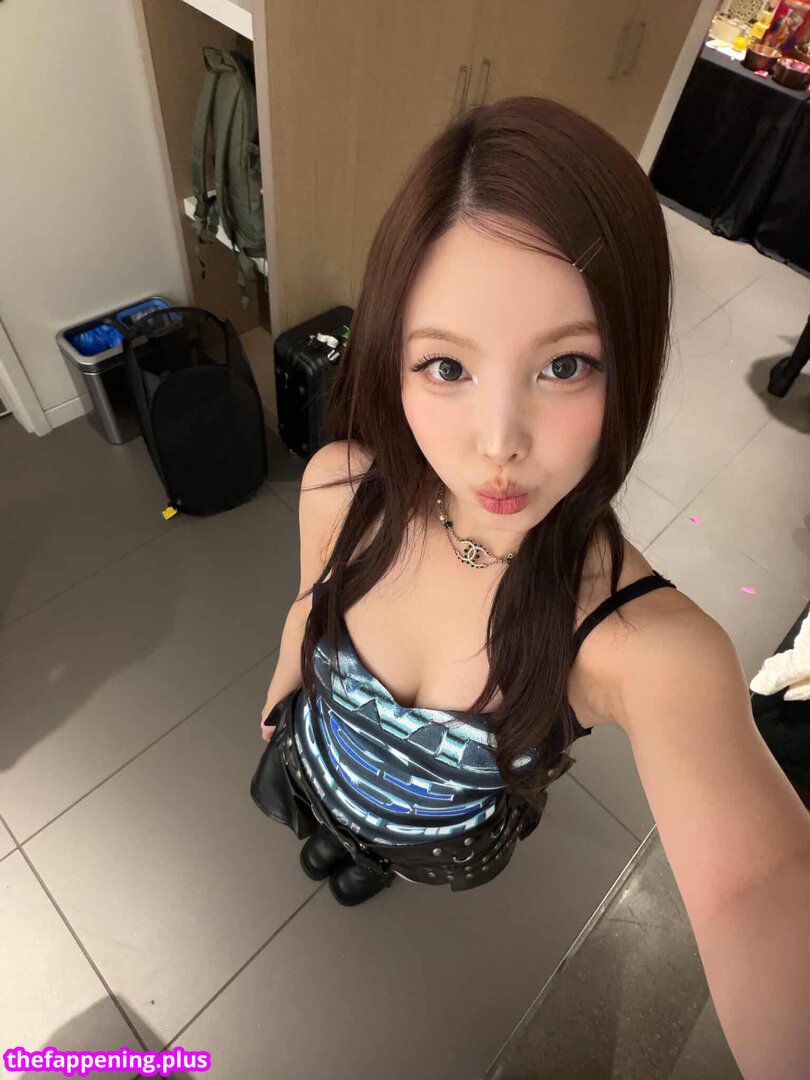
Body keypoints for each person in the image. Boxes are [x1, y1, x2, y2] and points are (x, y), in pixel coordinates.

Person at [255, 96, 810, 1078]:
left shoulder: (638, 645)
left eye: (564, 364)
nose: (499, 442)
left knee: (381, 860)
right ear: (392, 358)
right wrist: (279, 696)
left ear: (628, 362)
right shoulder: (340, 485)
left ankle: (377, 861)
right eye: (446, 365)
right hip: (316, 763)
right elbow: (310, 604)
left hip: (442, 843)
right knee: (327, 828)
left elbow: (762, 883)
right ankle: (342, 839)